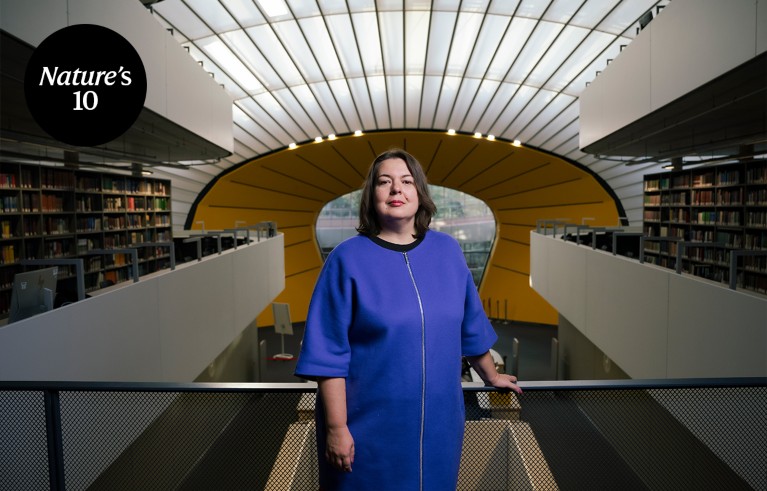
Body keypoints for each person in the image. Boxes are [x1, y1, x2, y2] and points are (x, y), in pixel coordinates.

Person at [294, 148, 521, 490]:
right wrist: (337, 429)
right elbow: (329, 355)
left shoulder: (447, 250)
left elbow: (469, 325)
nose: (396, 189)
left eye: (406, 181)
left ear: (420, 193)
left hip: (440, 424)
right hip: (366, 426)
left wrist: (491, 375)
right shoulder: (346, 259)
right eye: (384, 182)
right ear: (371, 196)